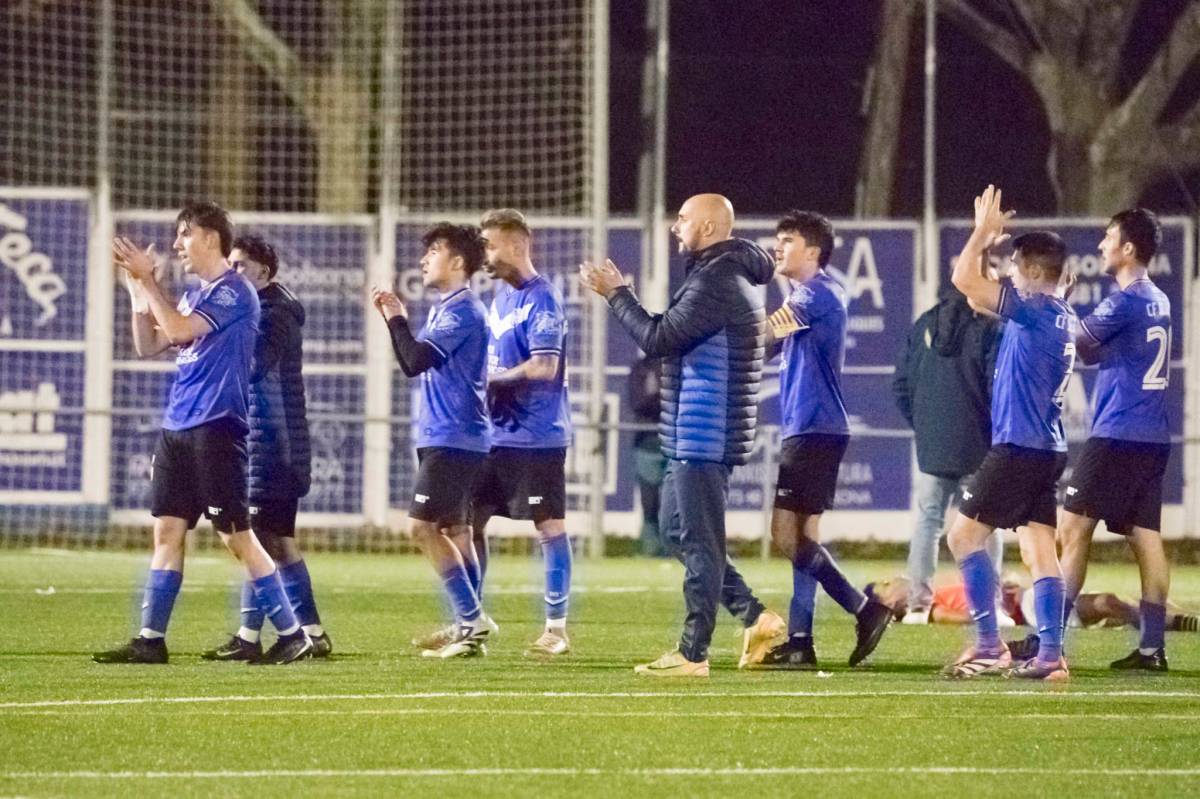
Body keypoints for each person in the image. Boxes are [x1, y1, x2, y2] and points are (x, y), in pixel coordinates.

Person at [95, 202, 311, 665]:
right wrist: (138, 294)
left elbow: (173, 327)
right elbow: (150, 343)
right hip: (178, 427)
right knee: (167, 531)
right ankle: (151, 639)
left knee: (235, 535)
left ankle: (293, 634)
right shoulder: (197, 294)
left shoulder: (234, 292)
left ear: (211, 238)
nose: (177, 245)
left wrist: (150, 281)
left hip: (216, 428)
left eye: (184, 234)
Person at [580, 193, 786, 677]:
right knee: (677, 532)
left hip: (705, 433)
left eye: (684, 219)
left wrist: (617, 293)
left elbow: (657, 339)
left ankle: (693, 653)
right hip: (691, 433)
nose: (676, 226)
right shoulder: (719, 274)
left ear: (711, 228)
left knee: (699, 543)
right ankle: (756, 617)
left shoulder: (716, 280)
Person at [943, 185, 1076, 681]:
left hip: (1019, 447)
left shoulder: (1035, 309)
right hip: (1047, 447)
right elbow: (981, 296)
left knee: (962, 536)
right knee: (1039, 546)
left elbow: (963, 280)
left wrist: (981, 234)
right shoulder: (1057, 312)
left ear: (1035, 274)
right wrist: (991, 251)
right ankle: (1050, 656)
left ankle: (988, 645)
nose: (1010, 276)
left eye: (1017, 268)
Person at [753, 210, 893, 669]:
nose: (778, 246)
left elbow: (761, 335)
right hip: (812, 427)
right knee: (803, 538)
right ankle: (801, 641)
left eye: (788, 239)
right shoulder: (808, 296)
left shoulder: (816, 293)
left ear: (813, 252)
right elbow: (768, 345)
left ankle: (863, 607)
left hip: (814, 429)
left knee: (784, 534)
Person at [1047, 208, 1175, 672]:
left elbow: (1078, 338)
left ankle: (1051, 644)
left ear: (1127, 249)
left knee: (1072, 529)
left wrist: (1058, 304)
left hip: (1118, 433)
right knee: (1147, 540)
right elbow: (1105, 350)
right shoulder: (1158, 299)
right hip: (1153, 436)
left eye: (1108, 238)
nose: (1100, 246)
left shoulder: (1125, 301)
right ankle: (1152, 649)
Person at [201, 235, 329, 662]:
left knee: (253, 537)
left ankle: (250, 638)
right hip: (271, 441)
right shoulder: (268, 309)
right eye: (230, 265)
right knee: (277, 540)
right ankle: (312, 631)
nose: (234, 272)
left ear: (264, 273)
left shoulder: (274, 315)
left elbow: (253, 367)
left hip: (273, 444)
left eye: (241, 266)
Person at [372, 223, 496, 658]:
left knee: (421, 528)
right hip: (447, 436)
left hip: (455, 438)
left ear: (458, 263)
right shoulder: (447, 308)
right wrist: (399, 318)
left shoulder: (463, 312)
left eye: (434, 252)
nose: (424, 259)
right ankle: (469, 627)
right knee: (455, 531)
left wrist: (395, 317)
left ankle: (472, 619)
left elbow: (414, 360)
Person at [470, 209, 574, 657]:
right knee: (467, 523)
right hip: (494, 435)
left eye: (490, 245)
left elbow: (544, 365)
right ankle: (469, 620)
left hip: (537, 435)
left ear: (516, 245)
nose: (484, 255)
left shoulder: (543, 298)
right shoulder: (500, 299)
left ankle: (556, 629)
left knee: (549, 527)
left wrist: (490, 380)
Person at [893, 273, 1004, 624]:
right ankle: (989, 604)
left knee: (927, 523)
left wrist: (925, 426)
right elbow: (996, 388)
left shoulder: (924, 323)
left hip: (933, 447)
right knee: (986, 525)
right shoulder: (988, 327)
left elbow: (900, 384)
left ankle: (917, 605)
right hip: (979, 443)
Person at [867, 575, 1200, 632]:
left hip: (1022, 600)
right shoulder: (921, 613)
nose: (893, 580)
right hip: (1024, 609)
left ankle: (1173, 616)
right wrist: (998, 601)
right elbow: (979, 619)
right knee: (1108, 601)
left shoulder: (925, 597)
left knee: (1114, 602)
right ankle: (1172, 624)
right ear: (886, 602)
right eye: (884, 586)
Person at [629, 353, 667, 556]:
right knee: (650, 502)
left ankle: (674, 550)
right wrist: (660, 397)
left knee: (677, 503)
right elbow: (637, 403)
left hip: (676, 443)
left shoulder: (677, 363)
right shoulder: (641, 369)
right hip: (647, 443)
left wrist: (656, 397)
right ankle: (650, 550)